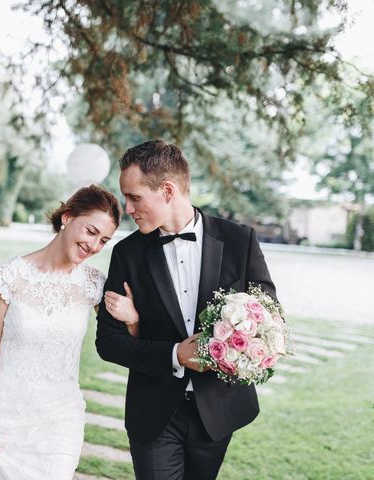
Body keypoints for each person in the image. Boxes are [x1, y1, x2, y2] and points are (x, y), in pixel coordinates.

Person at [97, 140, 277, 480]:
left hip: (219, 413)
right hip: (154, 413)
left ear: (167, 190)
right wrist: (175, 355)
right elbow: (107, 342)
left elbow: (267, 317)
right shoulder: (127, 253)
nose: (128, 207)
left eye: (134, 197)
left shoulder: (240, 241)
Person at [0, 184, 122, 480]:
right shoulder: (7, 277)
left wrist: (133, 317)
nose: (94, 246)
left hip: (61, 418)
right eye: (91, 231)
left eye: (104, 240)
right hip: (7, 413)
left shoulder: (94, 285)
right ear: (67, 217)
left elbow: (124, 340)